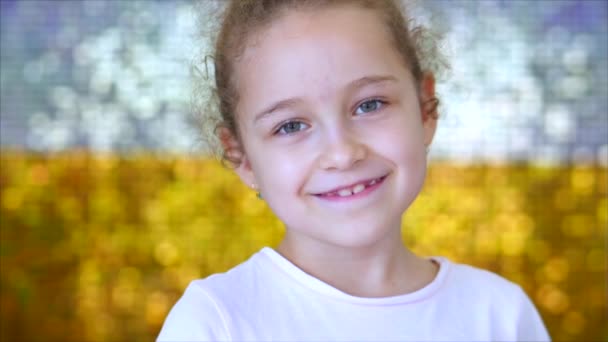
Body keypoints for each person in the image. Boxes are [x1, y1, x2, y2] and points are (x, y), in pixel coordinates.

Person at [158, 0, 550, 341]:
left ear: (425, 107)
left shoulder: (500, 316)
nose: (342, 153)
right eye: (291, 126)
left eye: (370, 105)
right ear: (241, 156)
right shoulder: (217, 324)